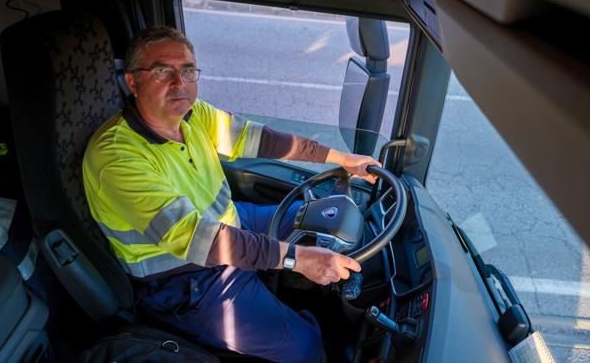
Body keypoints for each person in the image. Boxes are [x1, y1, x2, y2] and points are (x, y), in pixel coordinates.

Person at [82, 26, 380, 362]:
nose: (179, 82)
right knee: (305, 347)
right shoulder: (117, 158)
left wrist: (341, 159)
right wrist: (298, 259)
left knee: (318, 222)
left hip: (232, 223)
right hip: (185, 278)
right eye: (162, 71)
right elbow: (199, 239)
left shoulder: (194, 116)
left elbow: (264, 140)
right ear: (132, 82)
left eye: (188, 70)